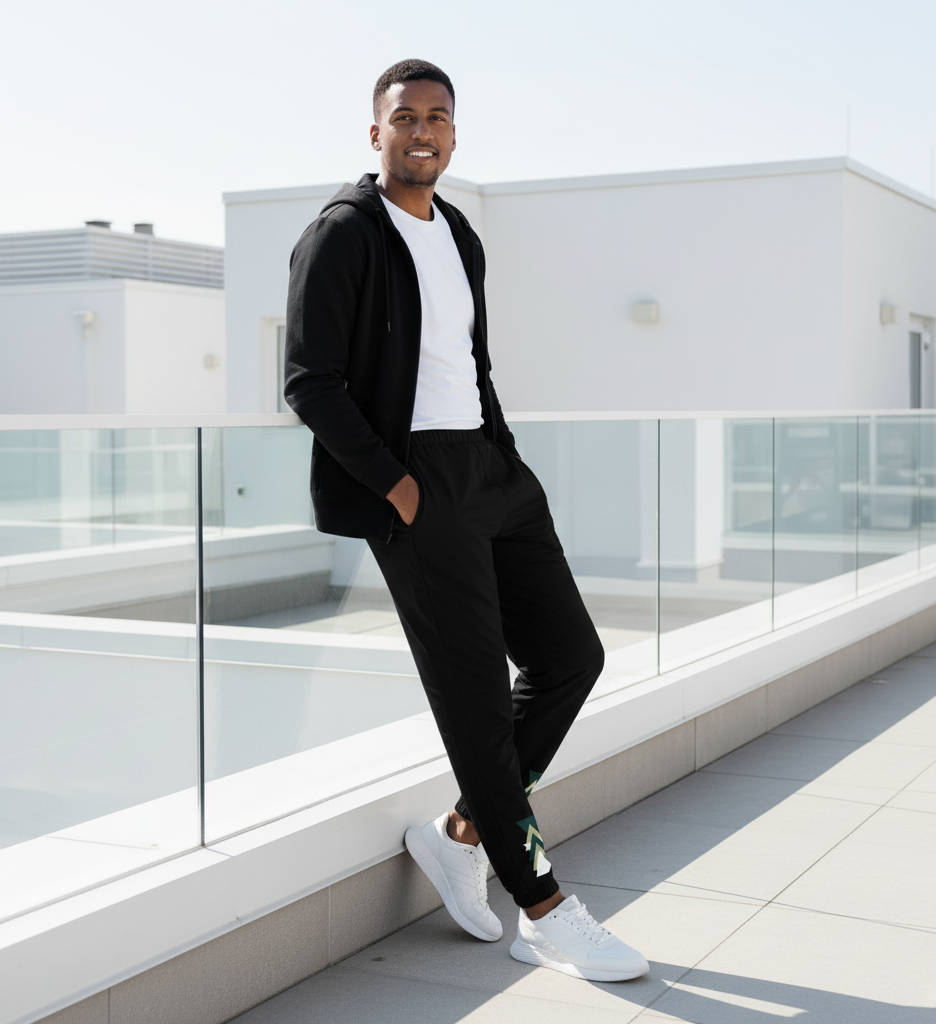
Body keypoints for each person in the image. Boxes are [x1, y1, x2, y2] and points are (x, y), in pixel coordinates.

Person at [284, 58, 648, 982]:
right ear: (376, 134)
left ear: (454, 134)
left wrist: (504, 455)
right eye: (404, 117)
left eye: (439, 118)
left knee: (573, 657)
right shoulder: (341, 235)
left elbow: (468, 360)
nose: (422, 131)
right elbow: (308, 382)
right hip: (414, 484)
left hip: (489, 470)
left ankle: (457, 836)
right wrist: (398, 489)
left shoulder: (461, 235)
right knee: (478, 701)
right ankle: (544, 908)